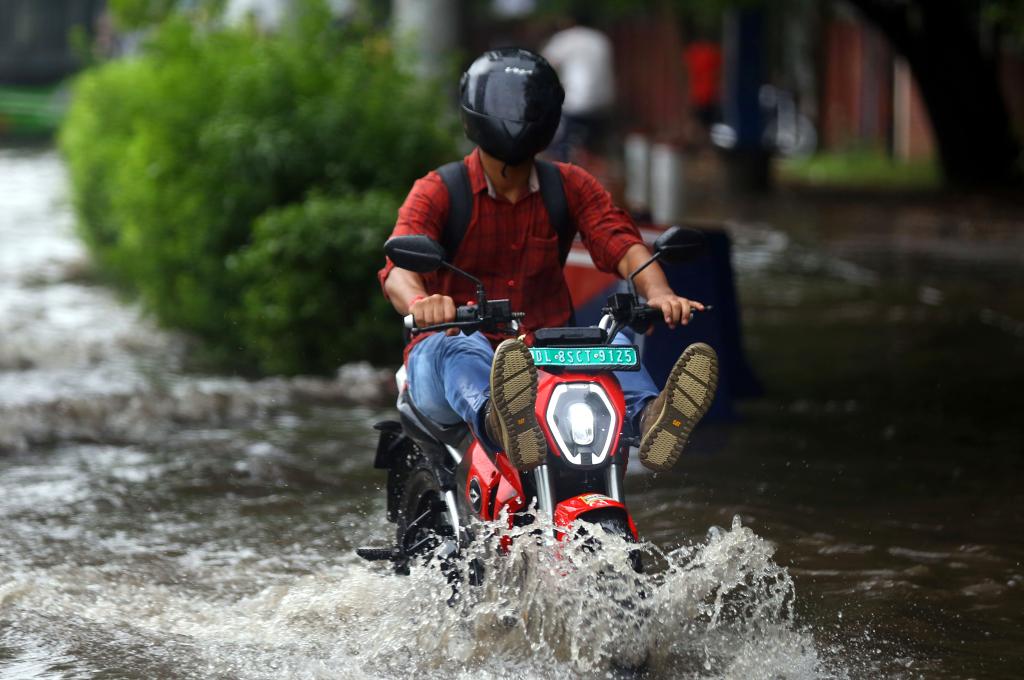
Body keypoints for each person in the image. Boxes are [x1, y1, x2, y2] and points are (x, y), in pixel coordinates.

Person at [378, 48, 717, 473]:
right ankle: (499, 421)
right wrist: (421, 303)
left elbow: (622, 243)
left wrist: (660, 292)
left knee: (609, 343)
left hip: (546, 354)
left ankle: (649, 419)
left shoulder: (570, 185)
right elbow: (399, 269)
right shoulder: (440, 189)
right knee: (459, 346)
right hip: (449, 354)